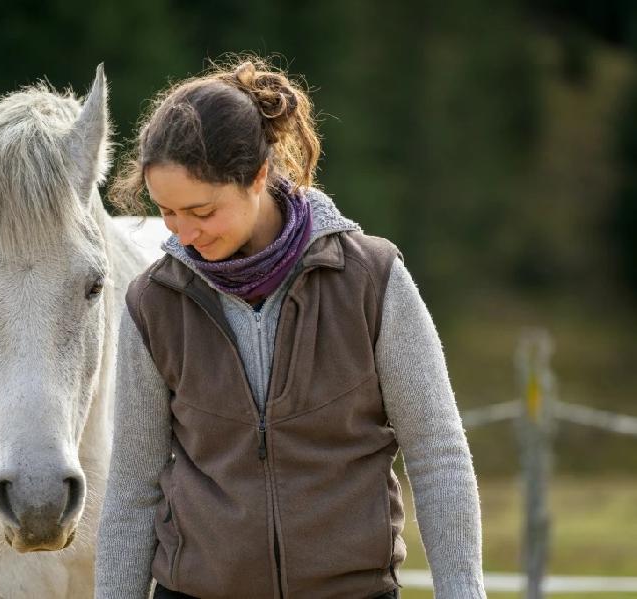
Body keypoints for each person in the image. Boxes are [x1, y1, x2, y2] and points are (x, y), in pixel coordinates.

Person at [95, 57, 485, 599]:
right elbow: (134, 489)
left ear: (258, 176)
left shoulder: (372, 280)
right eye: (168, 212)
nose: (184, 234)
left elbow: (437, 453)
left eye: (202, 212)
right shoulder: (153, 303)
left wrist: (463, 591)